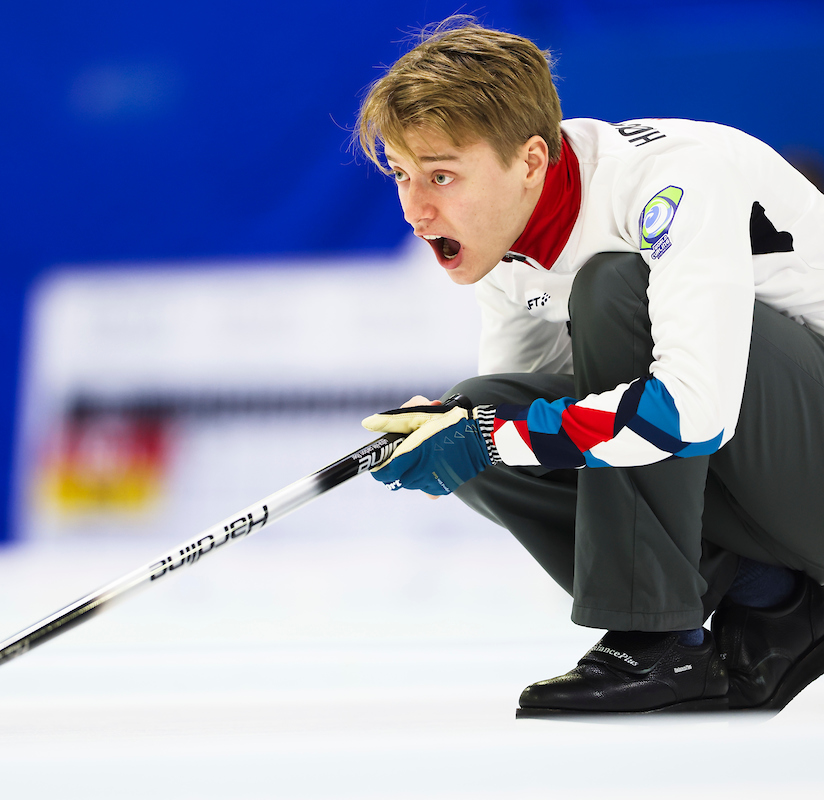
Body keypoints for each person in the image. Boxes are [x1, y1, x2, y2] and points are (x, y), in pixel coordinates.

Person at [353, 17, 824, 715]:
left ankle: (656, 639)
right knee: (477, 403)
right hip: (773, 488)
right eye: (402, 176)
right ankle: (771, 605)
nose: (418, 213)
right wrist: (460, 433)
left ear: (531, 161)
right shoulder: (505, 239)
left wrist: (488, 434)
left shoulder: (668, 183)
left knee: (613, 292)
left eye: (442, 176)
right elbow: (523, 431)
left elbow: (694, 414)